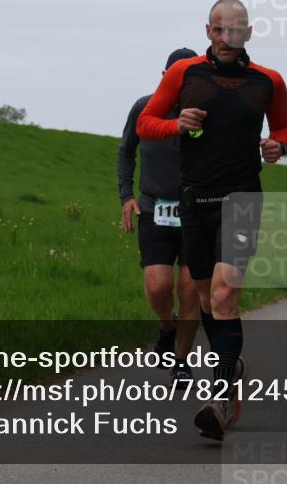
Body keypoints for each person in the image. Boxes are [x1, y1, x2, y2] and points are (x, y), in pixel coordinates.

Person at [137, 0, 287, 441]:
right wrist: (177, 124)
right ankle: (231, 362)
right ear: (209, 31)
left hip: (242, 197)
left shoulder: (268, 80)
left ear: (248, 32)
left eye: (237, 30)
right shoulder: (183, 75)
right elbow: (147, 123)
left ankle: (221, 396)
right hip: (194, 199)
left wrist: (277, 146)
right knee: (206, 298)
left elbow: (283, 128)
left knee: (224, 294)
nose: (229, 38)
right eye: (221, 30)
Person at [119, 48, 200, 382]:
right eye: (174, 77)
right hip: (154, 209)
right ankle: (168, 328)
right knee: (157, 286)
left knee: (189, 289)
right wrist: (127, 196)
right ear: (164, 76)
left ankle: (181, 361)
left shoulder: (206, 115)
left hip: (197, 211)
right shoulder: (144, 108)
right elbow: (126, 151)